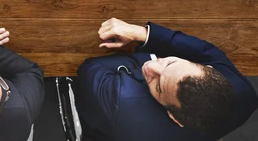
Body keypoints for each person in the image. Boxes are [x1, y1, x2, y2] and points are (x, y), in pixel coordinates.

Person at [73, 18, 258, 141]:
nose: (151, 67)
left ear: (174, 118)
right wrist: (143, 34)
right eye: (170, 63)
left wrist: (151, 57)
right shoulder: (245, 95)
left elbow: (90, 69)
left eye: (159, 87)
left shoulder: (123, 103)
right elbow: (207, 52)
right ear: (208, 70)